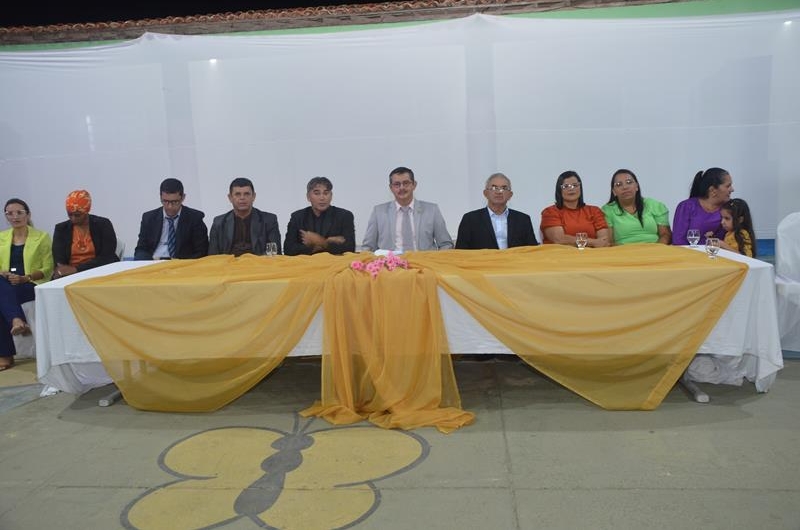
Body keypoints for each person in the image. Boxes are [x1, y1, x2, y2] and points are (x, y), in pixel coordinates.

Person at [0, 199, 54, 370]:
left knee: (2, 297)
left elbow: (48, 268)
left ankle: (5, 354)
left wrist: (25, 277)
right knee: (2, 289)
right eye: (9, 213)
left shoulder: (41, 237)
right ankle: (17, 320)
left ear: (28, 215)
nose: (14, 217)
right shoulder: (1, 237)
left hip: (31, 283)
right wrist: (3, 273)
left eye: (19, 213)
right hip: (6, 284)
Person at [362, 166, 453, 252]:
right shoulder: (378, 212)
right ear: (391, 188)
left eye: (406, 183)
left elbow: (446, 244)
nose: (402, 187)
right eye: (397, 184)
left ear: (414, 185)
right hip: (390, 262)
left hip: (424, 262)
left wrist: (435, 260)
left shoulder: (432, 210)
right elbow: (368, 247)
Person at [456, 172, 538, 249]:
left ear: (510, 195)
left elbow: (532, 250)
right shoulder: (470, 219)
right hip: (483, 259)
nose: (499, 192)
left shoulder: (523, 219)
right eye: (494, 188)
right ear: (485, 193)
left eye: (504, 188)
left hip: (514, 259)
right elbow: (460, 252)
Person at [134, 178, 209, 260]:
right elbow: (141, 248)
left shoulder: (195, 218)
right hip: (153, 262)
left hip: (181, 263)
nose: (170, 207)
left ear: (183, 197)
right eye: (165, 201)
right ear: (160, 197)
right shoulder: (149, 218)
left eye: (175, 202)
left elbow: (201, 251)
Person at [52, 190, 119, 278]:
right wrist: (69, 271)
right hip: (71, 275)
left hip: (100, 271)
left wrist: (77, 269)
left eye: (77, 215)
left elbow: (107, 257)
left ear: (87, 211)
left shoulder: (103, 224)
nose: (73, 218)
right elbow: (60, 261)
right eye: (70, 214)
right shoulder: (61, 229)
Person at [208, 177, 281, 256]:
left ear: (253, 196)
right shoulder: (218, 223)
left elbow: (274, 252)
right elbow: (213, 255)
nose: (242, 198)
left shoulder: (269, 220)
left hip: (259, 262)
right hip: (228, 263)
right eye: (237, 194)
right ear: (230, 198)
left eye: (246, 194)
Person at [283, 177, 355, 256]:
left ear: (331, 196)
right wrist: (324, 243)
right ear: (308, 197)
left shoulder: (344, 216)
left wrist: (322, 242)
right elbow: (288, 249)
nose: (322, 198)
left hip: (333, 262)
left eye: (326, 193)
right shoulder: (297, 217)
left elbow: (350, 248)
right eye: (317, 193)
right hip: (306, 262)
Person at [540, 170, 610, 247]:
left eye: (575, 185)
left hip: (592, 253)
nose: (571, 189)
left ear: (580, 188)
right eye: (566, 186)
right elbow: (559, 239)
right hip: (562, 253)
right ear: (559, 190)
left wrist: (595, 243)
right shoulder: (550, 212)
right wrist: (592, 242)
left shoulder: (594, 211)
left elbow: (604, 240)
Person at [601, 169, 671, 245]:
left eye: (629, 182)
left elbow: (665, 235)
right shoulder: (607, 210)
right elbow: (610, 242)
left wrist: (656, 250)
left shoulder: (654, 205)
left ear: (637, 186)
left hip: (656, 249)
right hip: (623, 251)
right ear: (614, 191)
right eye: (618, 184)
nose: (625, 187)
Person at [671, 167, 733, 245]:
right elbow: (678, 240)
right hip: (687, 252)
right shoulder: (687, 206)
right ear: (712, 190)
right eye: (728, 186)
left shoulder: (730, 208)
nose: (732, 189)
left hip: (719, 252)